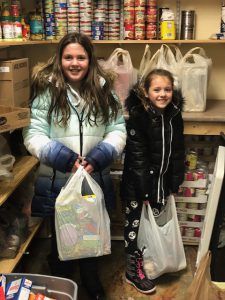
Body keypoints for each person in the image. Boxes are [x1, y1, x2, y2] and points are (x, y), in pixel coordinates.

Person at [23, 32, 126, 300]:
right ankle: (63, 282)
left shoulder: (104, 90)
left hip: (94, 177)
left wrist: (100, 155)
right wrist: (64, 159)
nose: (75, 63)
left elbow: (117, 129)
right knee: (63, 234)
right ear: (60, 59)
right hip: (59, 178)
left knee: (90, 230)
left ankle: (91, 280)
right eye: (68, 57)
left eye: (81, 57)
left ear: (90, 60)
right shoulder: (46, 91)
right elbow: (33, 134)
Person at [121, 69, 185, 294]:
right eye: (156, 89)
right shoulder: (139, 116)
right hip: (138, 188)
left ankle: (150, 262)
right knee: (135, 228)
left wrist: (175, 182)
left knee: (154, 226)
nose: (162, 94)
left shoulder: (174, 115)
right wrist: (144, 192)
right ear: (146, 92)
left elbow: (178, 151)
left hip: (161, 185)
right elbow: (137, 158)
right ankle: (132, 271)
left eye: (167, 89)